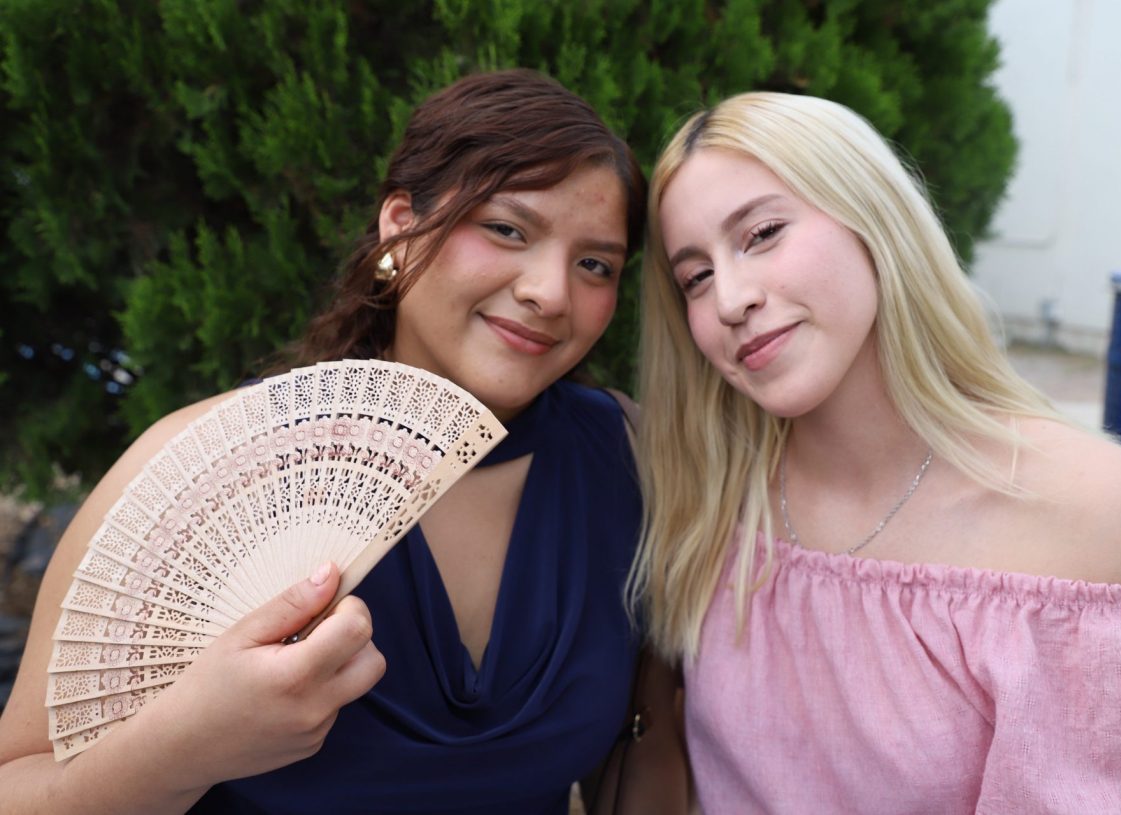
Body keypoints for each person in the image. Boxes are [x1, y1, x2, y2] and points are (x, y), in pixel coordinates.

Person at [0, 69, 685, 814]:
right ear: (400, 225)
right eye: (506, 229)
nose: (550, 292)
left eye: (595, 265)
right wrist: (183, 747)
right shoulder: (207, 462)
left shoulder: (629, 462)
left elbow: (644, 752)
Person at [629, 91, 1121, 814]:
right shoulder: (709, 499)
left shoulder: (1096, 510)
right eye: (696, 278)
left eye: (763, 233)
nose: (731, 299)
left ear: (873, 219)